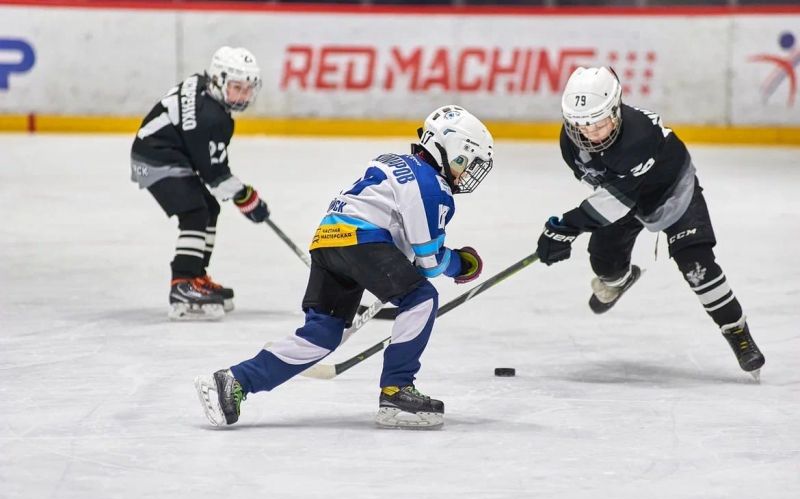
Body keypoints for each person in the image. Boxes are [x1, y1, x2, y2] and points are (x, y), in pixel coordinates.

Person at [195, 105, 494, 429]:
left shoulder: (392, 161)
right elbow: (431, 263)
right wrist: (461, 264)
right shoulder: (434, 187)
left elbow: (404, 243)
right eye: (466, 162)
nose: (465, 173)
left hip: (328, 239)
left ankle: (233, 381)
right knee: (421, 299)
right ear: (451, 149)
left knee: (322, 334)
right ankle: (396, 389)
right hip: (364, 242)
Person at [536, 66, 765, 379]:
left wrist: (566, 226)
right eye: (582, 126)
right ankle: (619, 281)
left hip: (670, 190)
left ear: (616, 111)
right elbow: (608, 194)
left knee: (696, 265)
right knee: (604, 263)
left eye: (599, 123)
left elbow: (614, 201)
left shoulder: (639, 136)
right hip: (622, 195)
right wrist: (567, 229)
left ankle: (736, 330)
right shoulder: (569, 144)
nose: (591, 133)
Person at [130, 46, 270, 321]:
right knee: (195, 212)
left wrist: (241, 196)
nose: (243, 96)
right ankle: (183, 284)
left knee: (209, 208)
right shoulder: (210, 116)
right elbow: (215, 175)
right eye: (237, 88)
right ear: (218, 80)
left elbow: (210, 168)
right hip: (154, 158)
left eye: (247, 89)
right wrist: (247, 199)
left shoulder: (205, 91)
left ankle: (196, 276)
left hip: (164, 153)